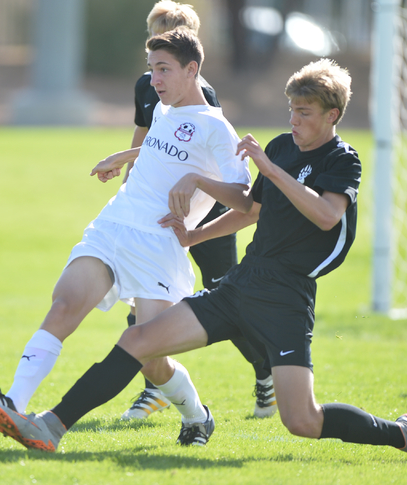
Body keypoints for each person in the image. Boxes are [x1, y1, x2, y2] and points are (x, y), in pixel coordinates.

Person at [0, 58, 407, 462]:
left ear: (332, 115)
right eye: (291, 111)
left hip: (286, 299)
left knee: (302, 420)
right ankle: (49, 426)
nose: (294, 121)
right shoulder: (279, 146)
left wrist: (270, 169)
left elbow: (323, 215)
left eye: (305, 113)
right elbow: (250, 212)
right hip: (242, 284)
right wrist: (193, 235)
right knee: (138, 339)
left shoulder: (344, 159)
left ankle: (404, 434)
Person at [0, 27, 252, 446]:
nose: (155, 80)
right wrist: (126, 154)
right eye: (152, 69)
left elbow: (245, 198)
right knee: (64, 305)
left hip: (159, 246)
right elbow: (163, 147)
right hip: (115, 224)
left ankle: (197, 416)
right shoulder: (163, 109)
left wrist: (197, 183)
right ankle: (12, 403)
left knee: (152, 361)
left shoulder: (217, 129)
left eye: (164, 70)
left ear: (193, 71)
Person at [121, 0, 275, 422]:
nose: (157, 68)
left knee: (223, 297)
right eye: (156, 32)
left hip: (202, 213)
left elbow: (207, 155)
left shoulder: (200, 95)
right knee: (144, 292)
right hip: (158, 208)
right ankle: (154, 388)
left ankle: (267, 371)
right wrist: (129, 171)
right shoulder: (146, 84)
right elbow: (149, 134)